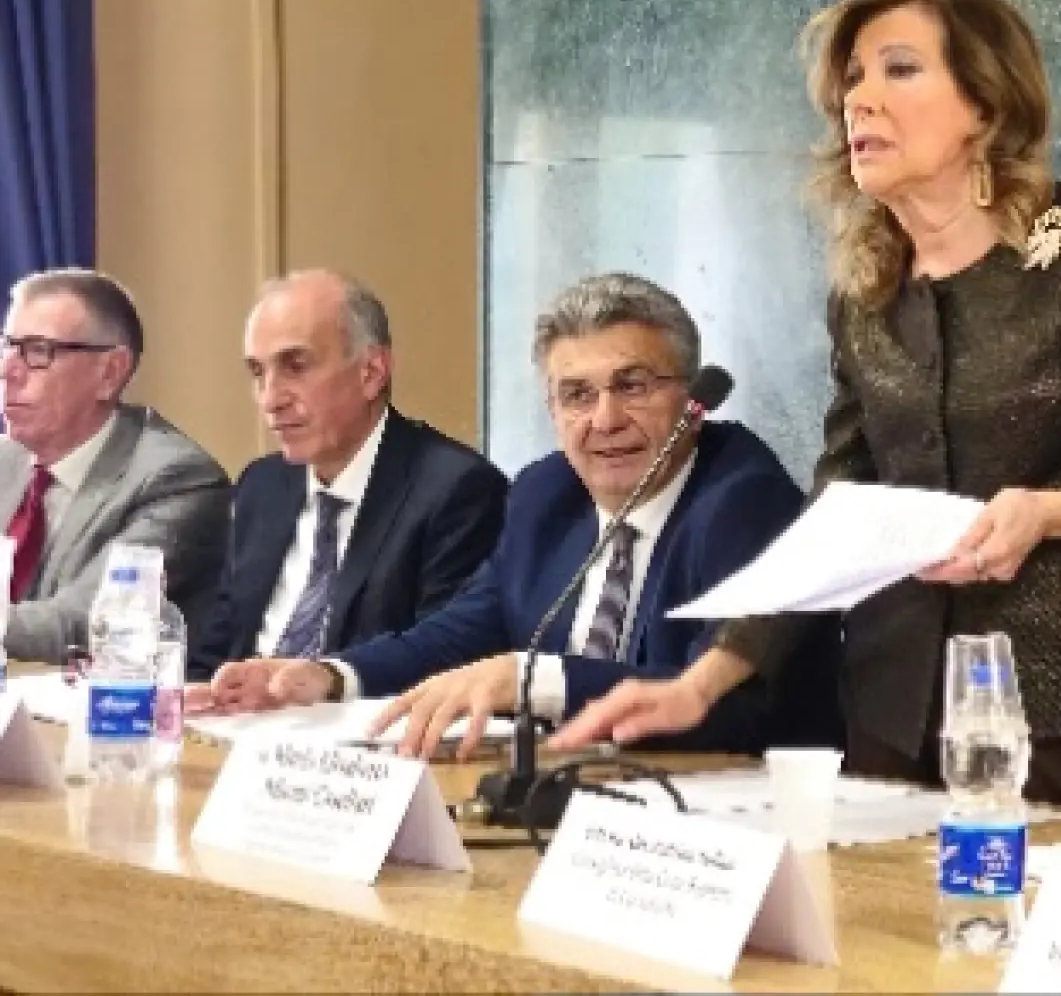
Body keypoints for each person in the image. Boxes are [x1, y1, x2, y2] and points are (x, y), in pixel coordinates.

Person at [551, 0, 1061, 814]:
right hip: (889, 700)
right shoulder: (866, 294)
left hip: (1056, 703)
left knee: (1007, 898)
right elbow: (836, 518)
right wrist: (701, 683)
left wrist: (1055, 512)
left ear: (985, 104)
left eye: (899, 69)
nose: (860, 99)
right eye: (852, 79)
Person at [198, 273, 837, 758]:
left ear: (693, 401)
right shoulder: (544, 495)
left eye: (633, 386)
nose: (606, 419)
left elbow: (720, 703)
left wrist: (535, 679)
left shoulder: (742, 497)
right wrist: (330, 677)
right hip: (573, 798)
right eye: (576, 395)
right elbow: (457, 634)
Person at [184, 270, 508, 681]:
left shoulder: (456, 490)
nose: (270, 399)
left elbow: (442, 661)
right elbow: (218, 647)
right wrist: (193, 695)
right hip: (246, 715)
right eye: (257, 373)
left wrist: (321, 682)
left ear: (371, 371)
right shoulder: (262, 486)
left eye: (295, 366)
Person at [0, 269, 230, 661]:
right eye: (8, 345)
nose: (8, 371)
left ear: (110, 372)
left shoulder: (177, 480)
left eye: (38, 351)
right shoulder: (7, 459)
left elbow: (84, 624)